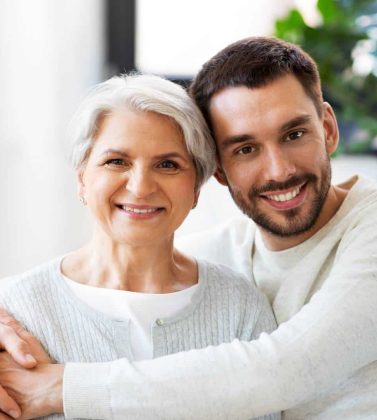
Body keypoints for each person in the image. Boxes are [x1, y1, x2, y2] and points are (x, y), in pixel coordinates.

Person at [0, 35, 377, 419]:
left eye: (294, 134)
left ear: (327, 128)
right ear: (218, 170)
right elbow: (141, 263)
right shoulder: (225, 256)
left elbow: (285, 368)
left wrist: (59, 388)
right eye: (246, 148)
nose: (279, 170)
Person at [0, 72, 278, 420]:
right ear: (82, 177)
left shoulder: (241, 310)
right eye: (116, 161)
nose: (141, 186)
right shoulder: (15, 311)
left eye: (167, 164)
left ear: (196, 187)